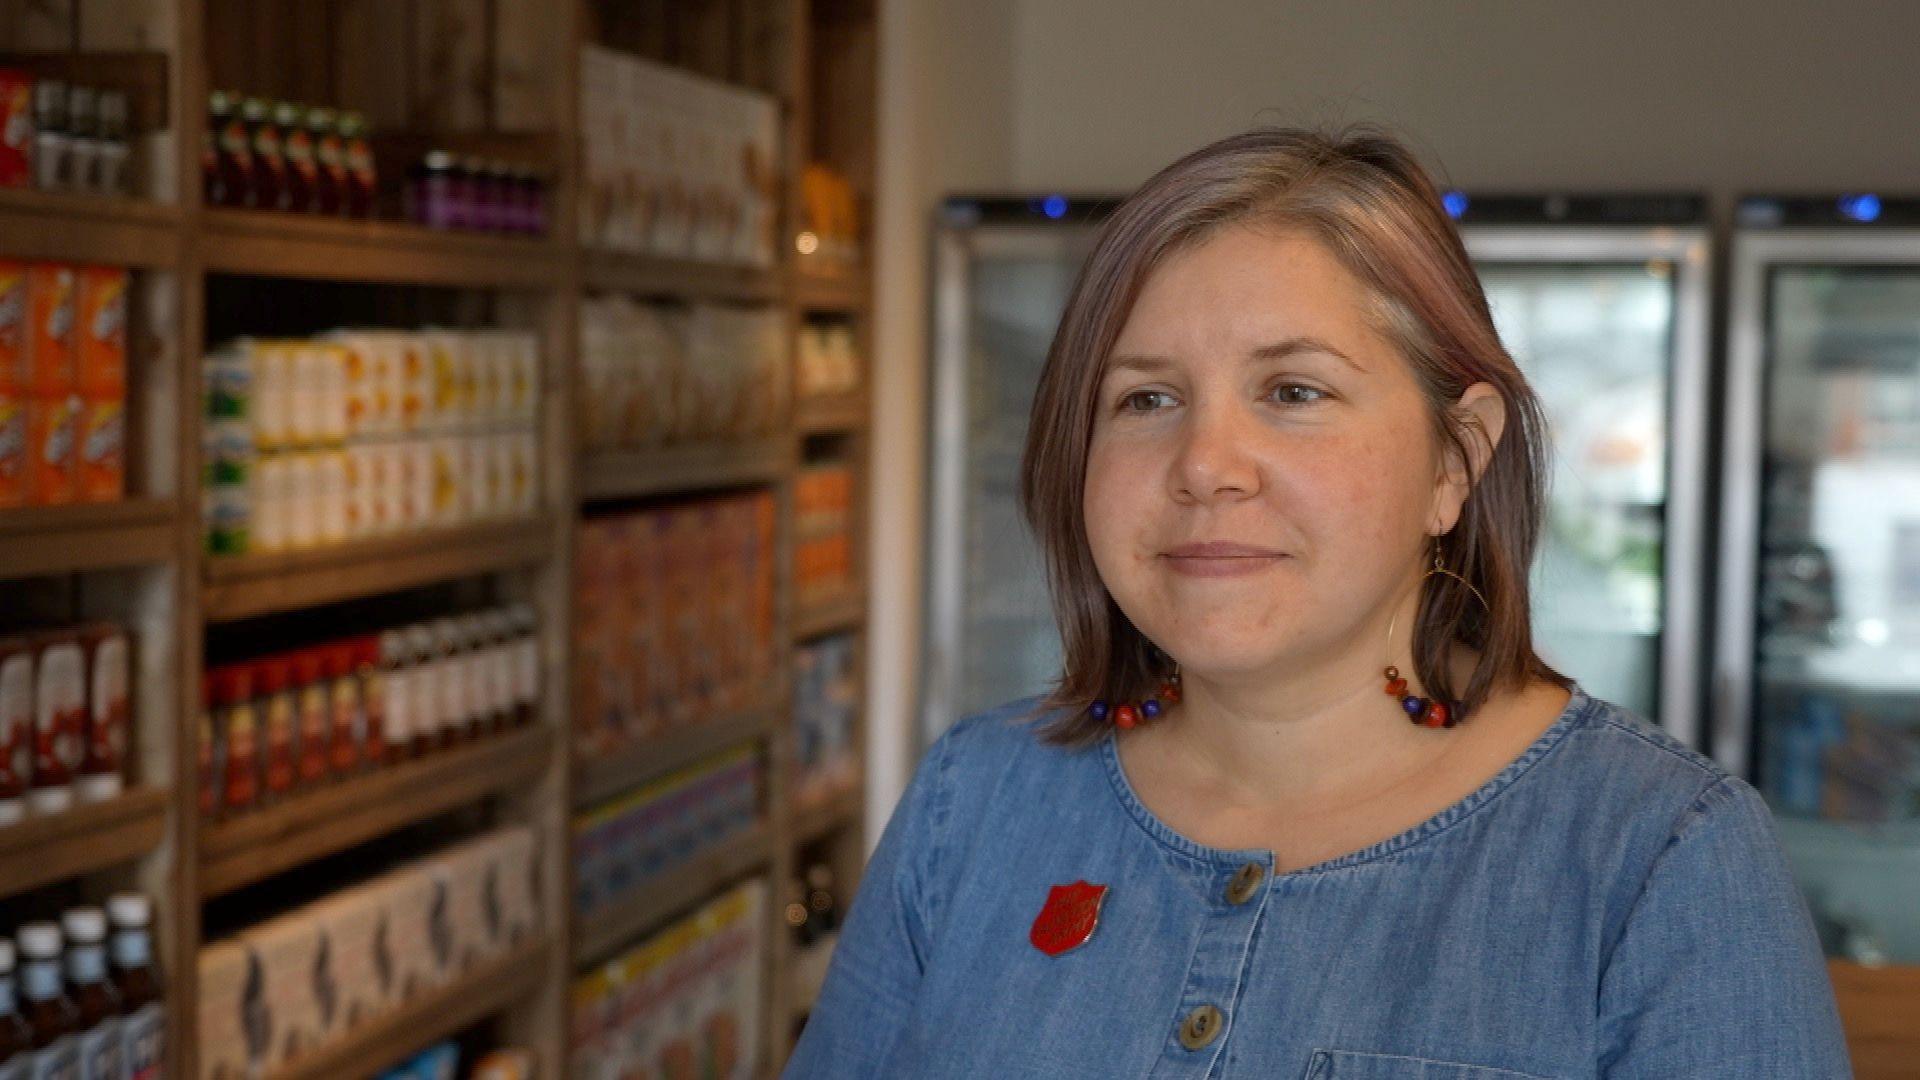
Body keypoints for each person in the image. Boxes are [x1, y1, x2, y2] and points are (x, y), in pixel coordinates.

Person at [782, 125, 1852, 1078]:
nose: (1206, 465)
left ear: (1455, 460)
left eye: (1294, 393)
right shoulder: (975, 802)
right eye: (1145, 398)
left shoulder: (1664, 860)